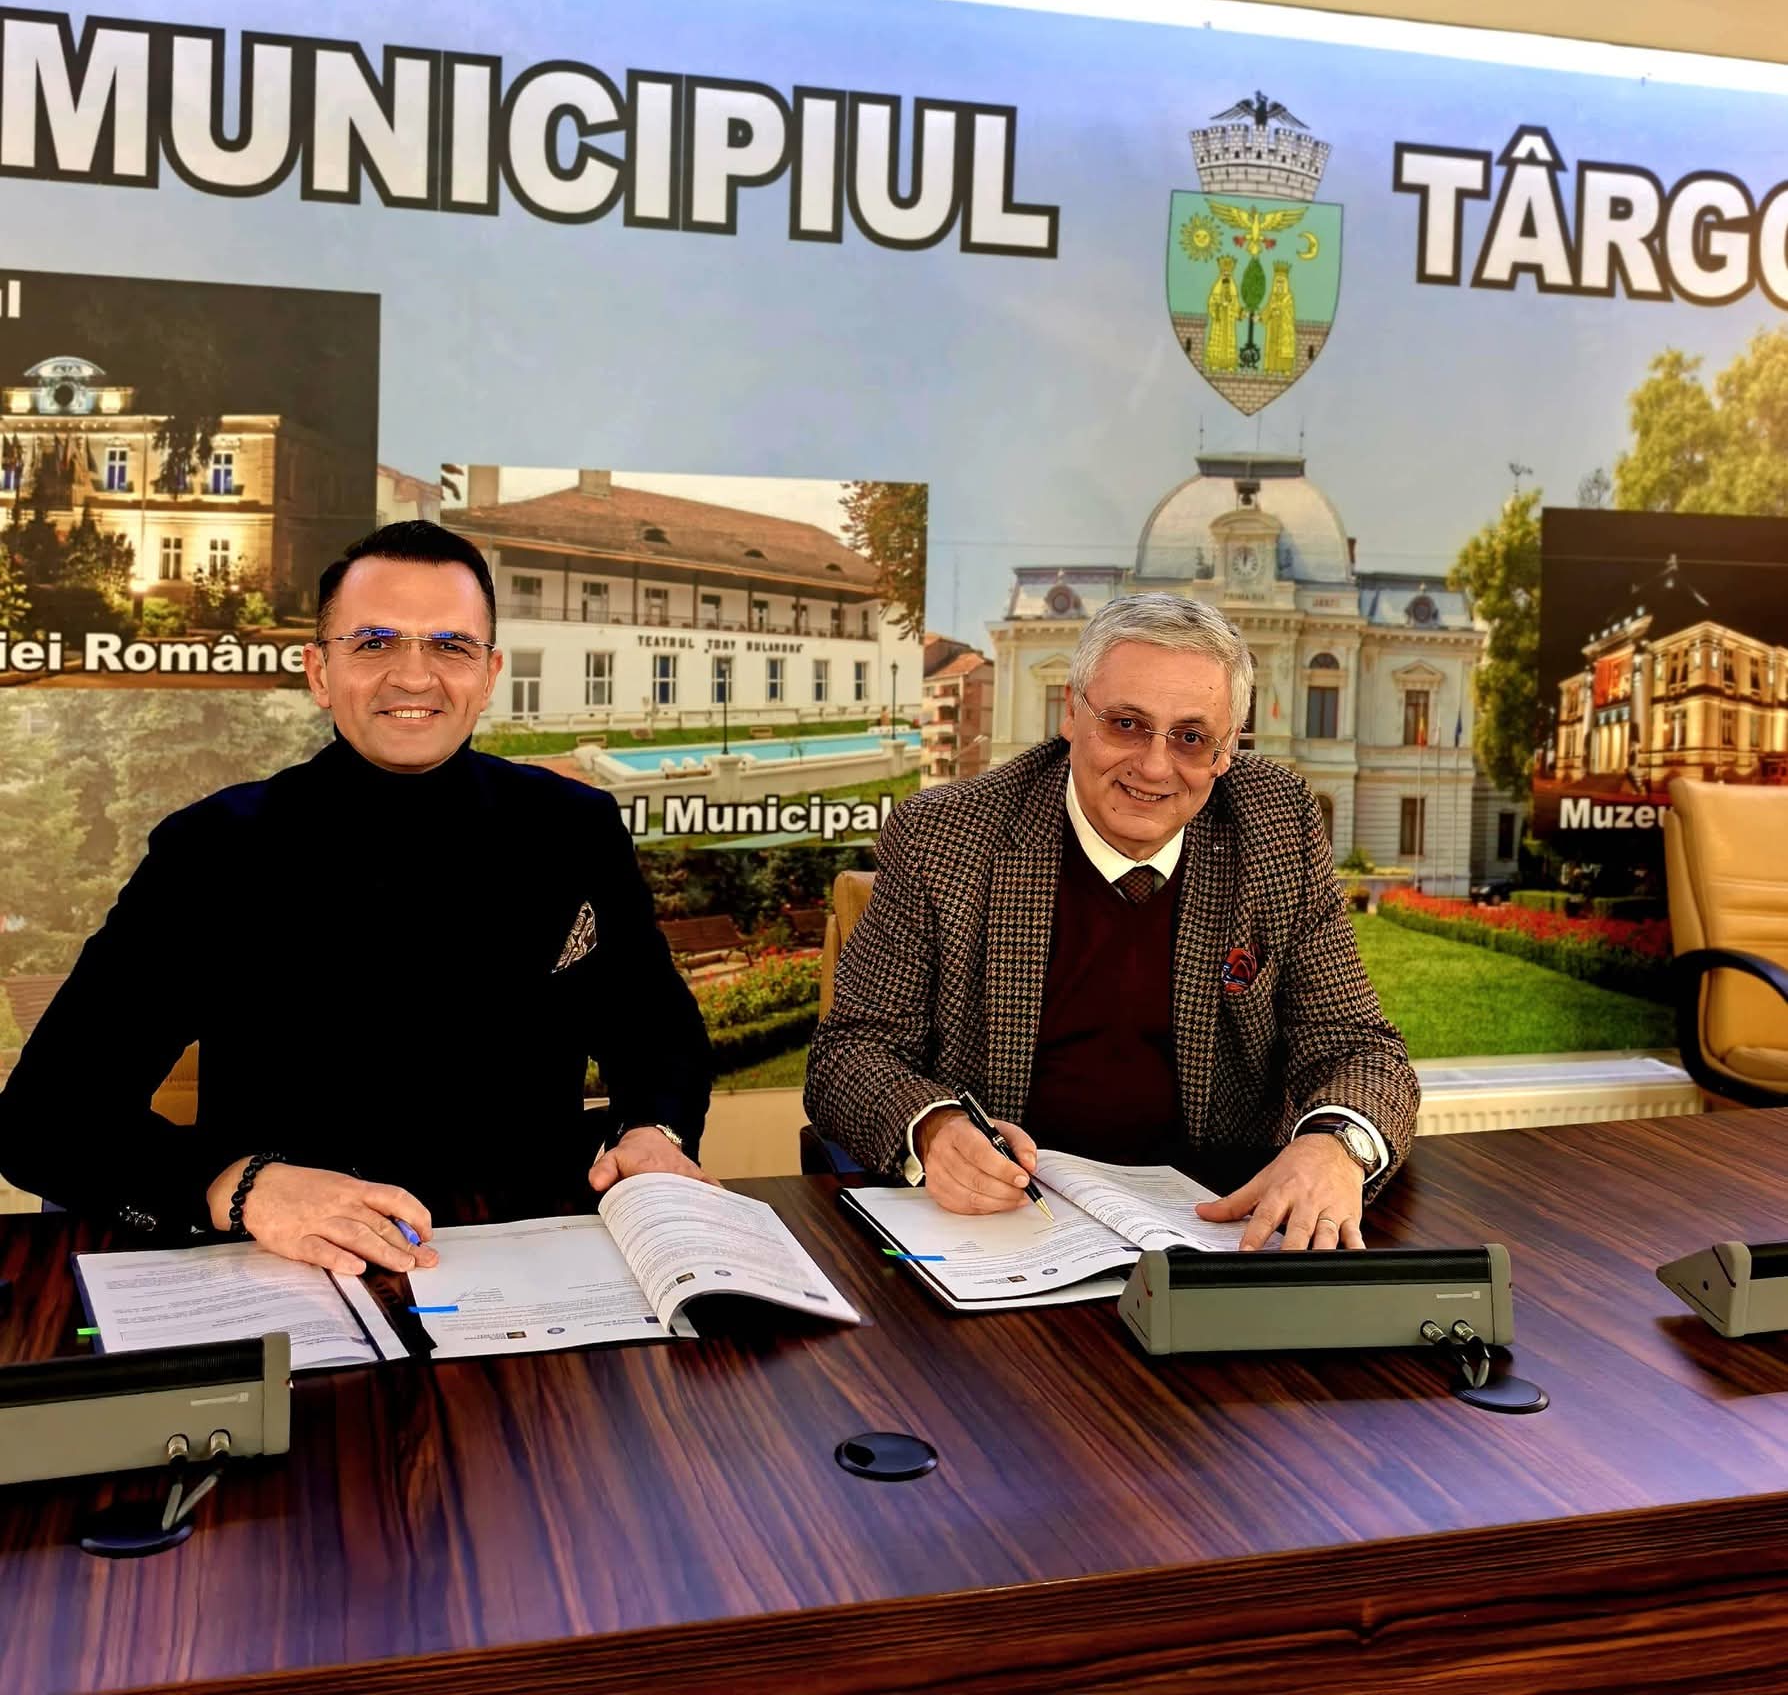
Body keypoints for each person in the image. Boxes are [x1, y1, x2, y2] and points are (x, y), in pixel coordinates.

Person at [0, 521, 711, 1274]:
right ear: (318, 672)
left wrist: (655, 1130)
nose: (414, 677)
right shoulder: (213, 850)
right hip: (293, 1274)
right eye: (374, 643)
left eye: (451, 646)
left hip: (531, 1265)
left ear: (489, 674)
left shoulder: (575, 828)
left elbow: (658, 1037)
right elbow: (44, 1121)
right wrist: (238, 1188)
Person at [805, 594, 1419, 1251]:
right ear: (1072, 713)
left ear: (1226, 752)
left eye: (1190, 737)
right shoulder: (946, 835)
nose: (1154, 766)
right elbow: (849, 1053)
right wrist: (933, 1129)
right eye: (1126, 724)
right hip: (1006, 1224)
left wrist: (1337, 1146)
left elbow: (1360, 1047)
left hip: (1218, 1221)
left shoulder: (1276, 824)